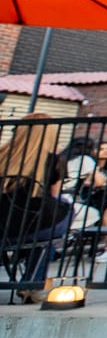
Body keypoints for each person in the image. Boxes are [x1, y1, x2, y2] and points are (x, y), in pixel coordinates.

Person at [0, 116, 73, 303]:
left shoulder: (3, 156)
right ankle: (32, 283)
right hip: (34, 225)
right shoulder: (53, 161)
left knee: (44, 230)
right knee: (61, 215)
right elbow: (55, 196)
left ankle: (30, 279)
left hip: (3, 225)